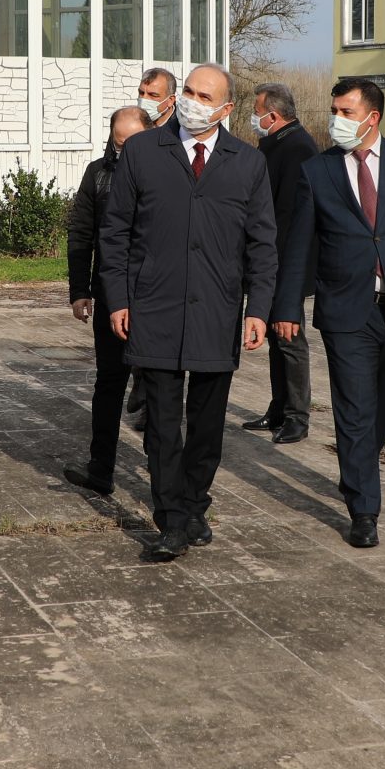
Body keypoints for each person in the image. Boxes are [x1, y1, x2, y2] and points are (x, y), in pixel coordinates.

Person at [100, 62, 279, 561]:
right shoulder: (142, 151)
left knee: (206, 423)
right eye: (190, 92)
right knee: (161, 423)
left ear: (226, 109)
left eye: (205, 97)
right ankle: (172, 519)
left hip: (216, 312)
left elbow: (263, 244)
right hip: (153, 307)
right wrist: (119, 298)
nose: (192, 103)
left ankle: (195, 501)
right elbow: (114, 232)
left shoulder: (248, 163)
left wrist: (258, 308)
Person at [273, 78, 385, 549]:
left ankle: (356, 467)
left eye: (345, 112)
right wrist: (287, 306)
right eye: (334, 110)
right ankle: (364, 510)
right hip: (344, 309)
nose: (336, 119)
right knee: (353, 408)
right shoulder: (318, 170)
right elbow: (298, 246)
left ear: (372, 117)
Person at [61, 104, 149, 496]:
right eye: (118, 142)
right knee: (109, 382)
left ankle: (162, 470)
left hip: (153, 296)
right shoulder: (97, 173)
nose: (123, 150)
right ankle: (101, 468)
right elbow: (81, 233)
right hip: (111, 293)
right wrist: (80, 290)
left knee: (158, 387)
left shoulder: (166, 173)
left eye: (132, 143)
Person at [243, 82, 316, 445]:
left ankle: (297, 416)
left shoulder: (298, 148)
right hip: (271, 260)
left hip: (285, 263)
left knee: (289, 339)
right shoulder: (275, 144)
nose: (254, 119)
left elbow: (289, 218)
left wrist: (278, 269)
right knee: (275, 337)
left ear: (273, 115)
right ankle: (278, 408)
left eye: (257, 113)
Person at [122, 66, 177, 430]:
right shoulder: (135, 130)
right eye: (142, 92)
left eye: (153, 95)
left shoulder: (181, 136)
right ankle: (142, 383)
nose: (145, 100)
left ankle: (154, 406)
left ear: (170, 100)